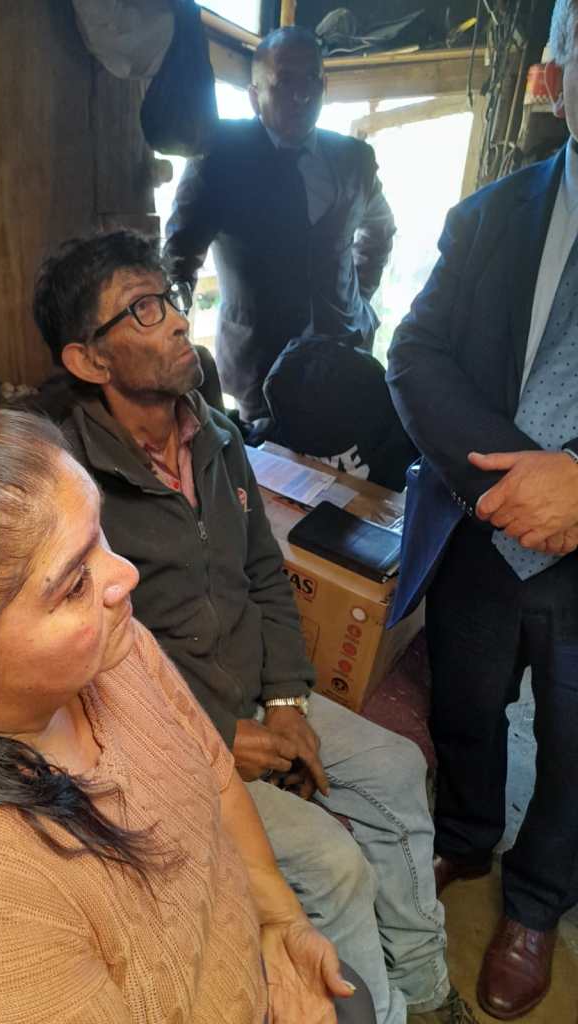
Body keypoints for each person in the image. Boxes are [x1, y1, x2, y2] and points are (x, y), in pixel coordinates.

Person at [26, 229, 478, 1024]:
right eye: (141, 310)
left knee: (398, 766)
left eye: (168, 298)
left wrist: (287, 701)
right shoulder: (68, 484)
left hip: (255, 696)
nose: (176, 319)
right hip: (167, 739)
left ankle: (426, 988)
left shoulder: (218, 435)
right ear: (89, 361)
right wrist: (218, 734)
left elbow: (265, 576)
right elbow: (90, 666)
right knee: (334, 865)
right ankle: (379, 1014)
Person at [0, 399, 377, 1024]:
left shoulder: (105, 646)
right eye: (74, 583)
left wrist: (279, 919)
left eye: (99, 532)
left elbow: (213, 775)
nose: (126, 575)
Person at [385, 3, 578, 1017]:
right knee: (464, 702)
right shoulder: (487, 217)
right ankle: (465, 835)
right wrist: (517, 490)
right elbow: (413, 356)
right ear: (559, 71)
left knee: (575, 741)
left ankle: (538, 900)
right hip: (479, 533)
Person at [163, 25, 396, 423]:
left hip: (344, 350)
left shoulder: (354, 158)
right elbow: (178, 259)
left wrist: (358, 295)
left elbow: (380, 229)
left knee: (348, 453)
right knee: (265, 459)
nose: (301, 94)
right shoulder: (219, 156)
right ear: (254, 95)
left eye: (311, 79)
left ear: (324, 86)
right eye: (284, 80)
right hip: (258, 363)